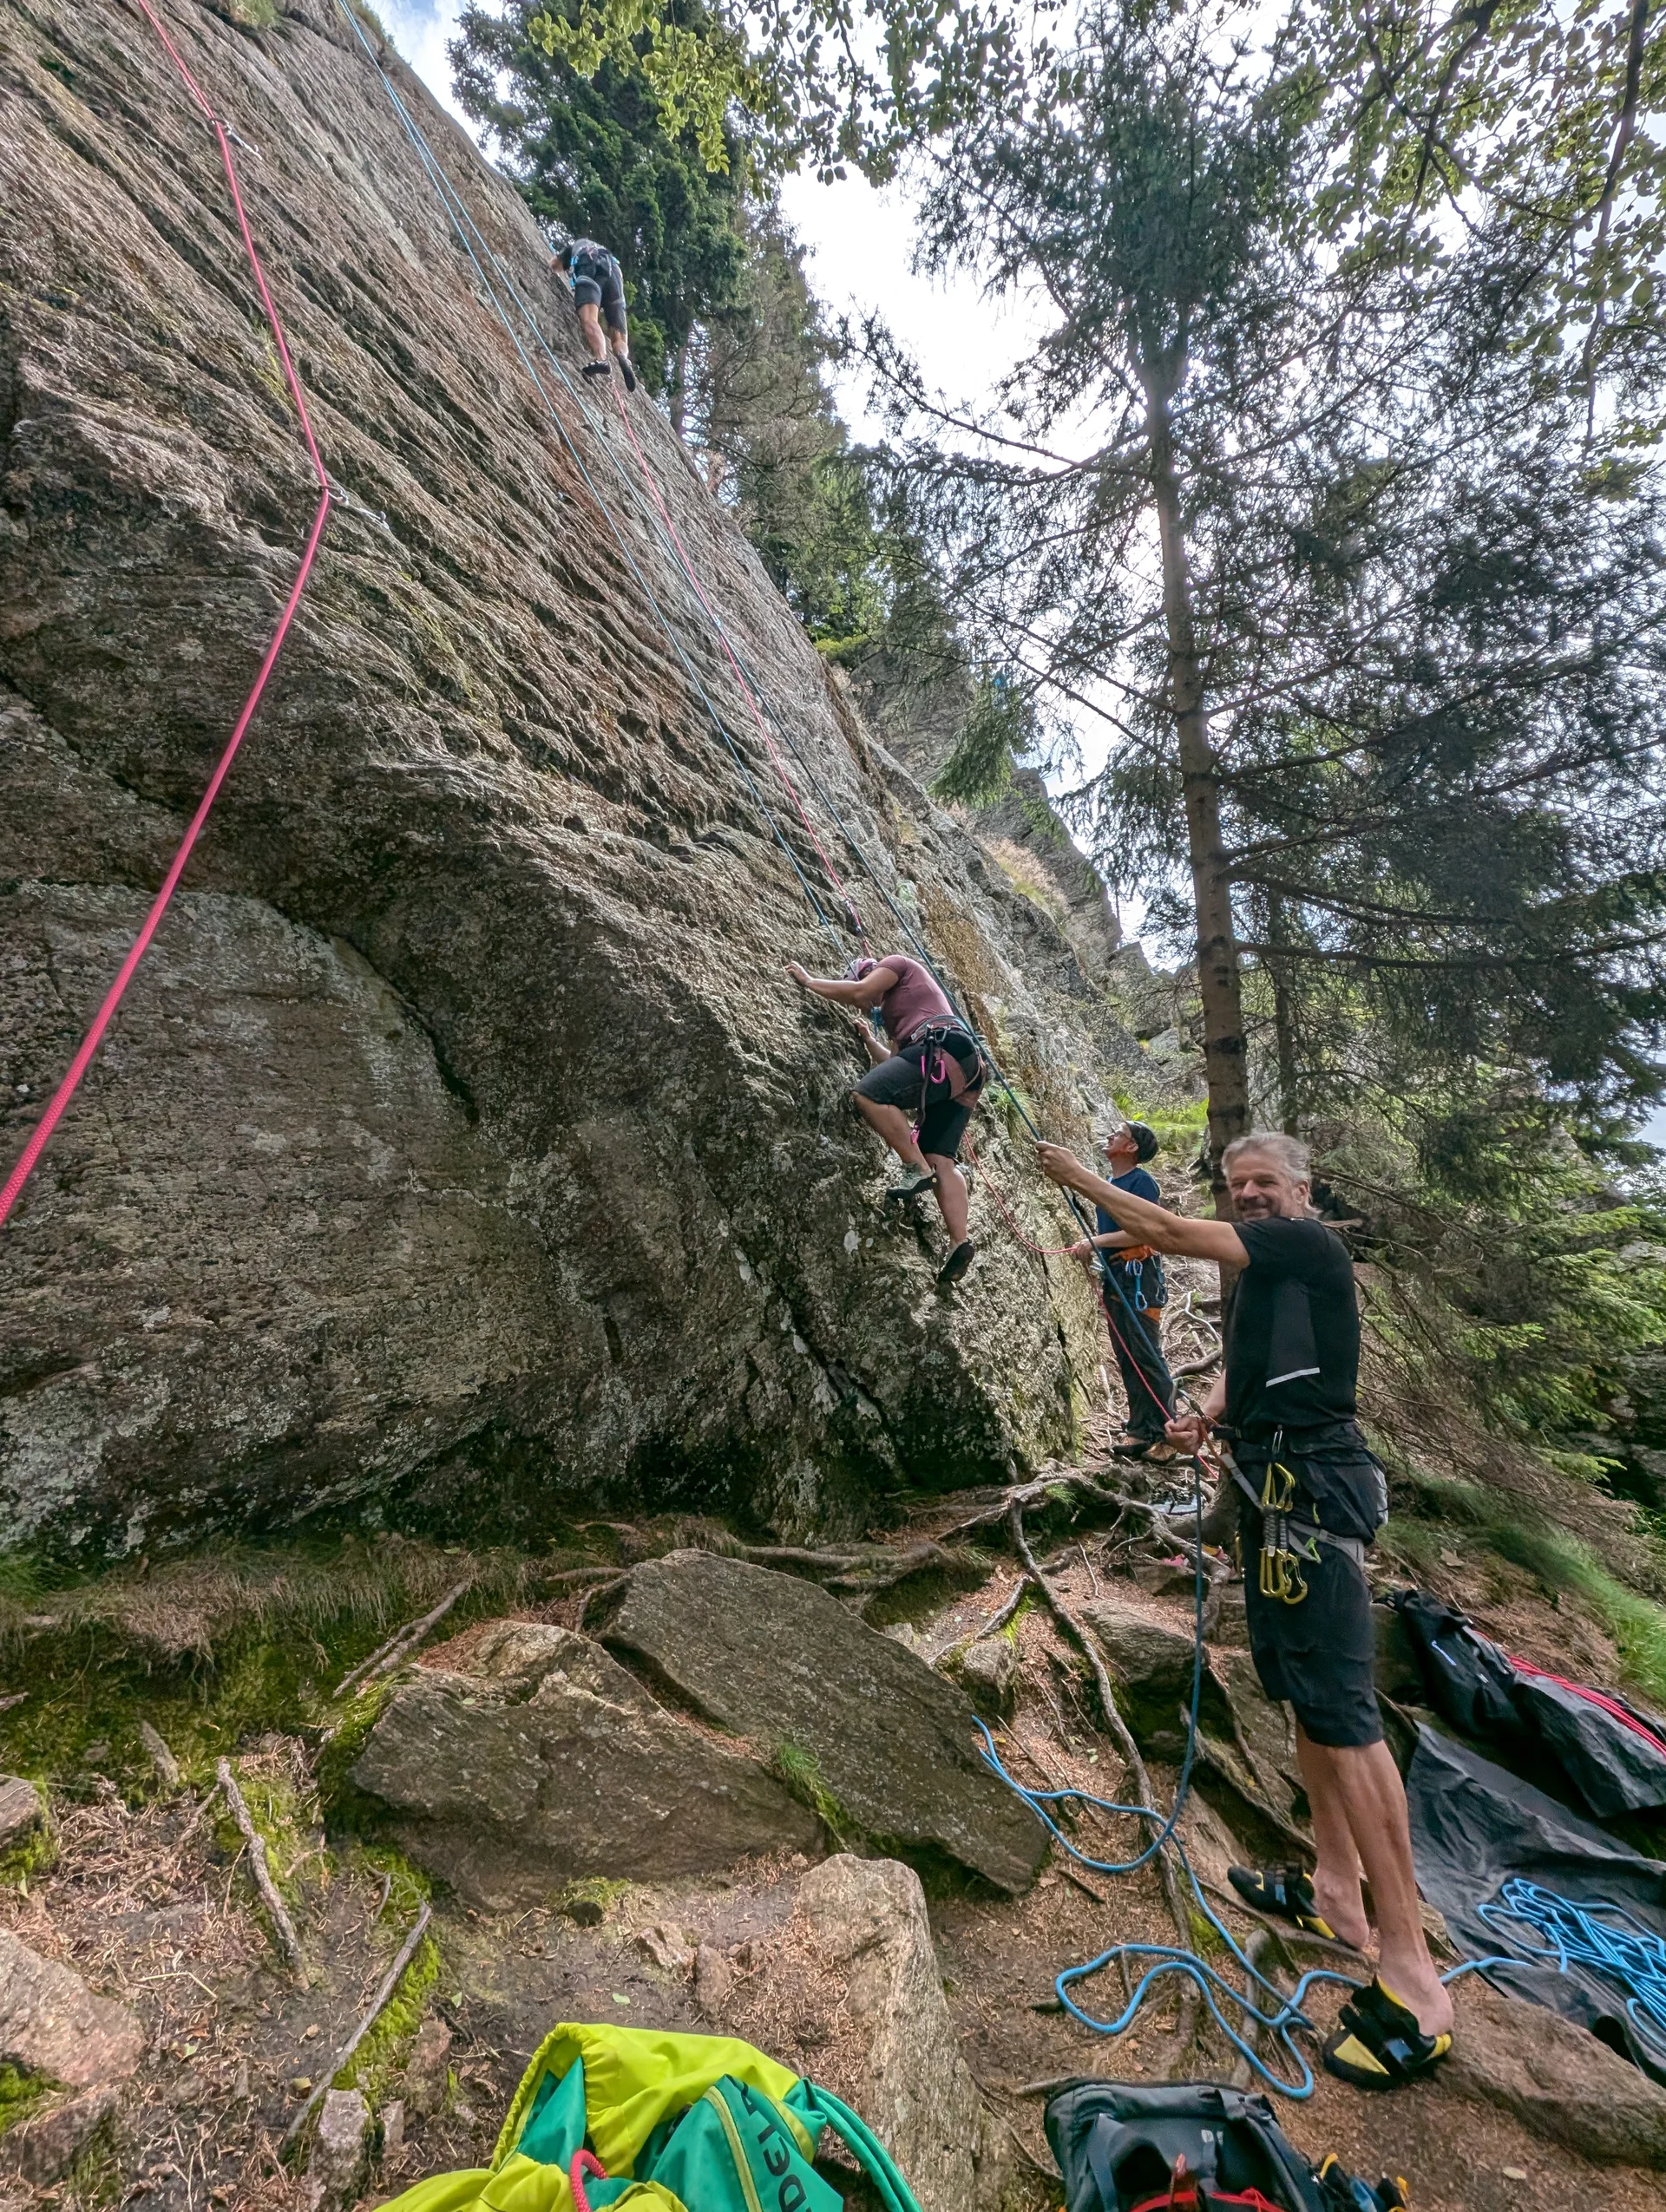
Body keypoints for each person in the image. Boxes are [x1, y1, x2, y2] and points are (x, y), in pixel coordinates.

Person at [1036, 1126, 1455, 2092]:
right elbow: (1250, 1364)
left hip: (1317, 1497)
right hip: (1275, 1497)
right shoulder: (1266, 1278)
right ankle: (1336, 1895)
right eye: (1238, 1184)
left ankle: (1415, 1976)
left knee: (1347, 1718)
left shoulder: (1308, 1245)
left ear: (1300, 1192)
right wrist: (1211, 1413)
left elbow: (1167, 1231)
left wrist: (1080, 1178)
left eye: (1266, 1182)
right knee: (1305, 1698)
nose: (1251, 1195)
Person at [787, 953, 984, 1285]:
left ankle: (915, 1168)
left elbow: (860, 992)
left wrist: (809, 982)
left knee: (867, 1094)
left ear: (870, 971)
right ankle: (958, 1243)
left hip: (941, 1047)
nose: (865, 1009)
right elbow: (896, 1065)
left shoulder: (896, 965)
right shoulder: (900, 1020)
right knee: (941, 1159)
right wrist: (869, 1041)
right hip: (964, 1067)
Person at [1067, 1120, 1177, 1461]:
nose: (1110, 1135)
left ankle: (1167, 1436)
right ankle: (1139, 1429)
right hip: (1118, 1276)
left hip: (1139, 1278)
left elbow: (1145, 1232)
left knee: (1146, 1355)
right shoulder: (1112, 1183)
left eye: (1119, 1134)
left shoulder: (1141, 1182)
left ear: (1131, 1148)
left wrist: (1095, 1242)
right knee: (1128, 1356)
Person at [552, 239, 637, 391]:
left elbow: (554, 265)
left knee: (590, 319)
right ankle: (623, 357)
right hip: (615, 276)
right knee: (619, 338)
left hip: (589, 266)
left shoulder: (575, 248)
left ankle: (601, 359)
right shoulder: (606, 252)